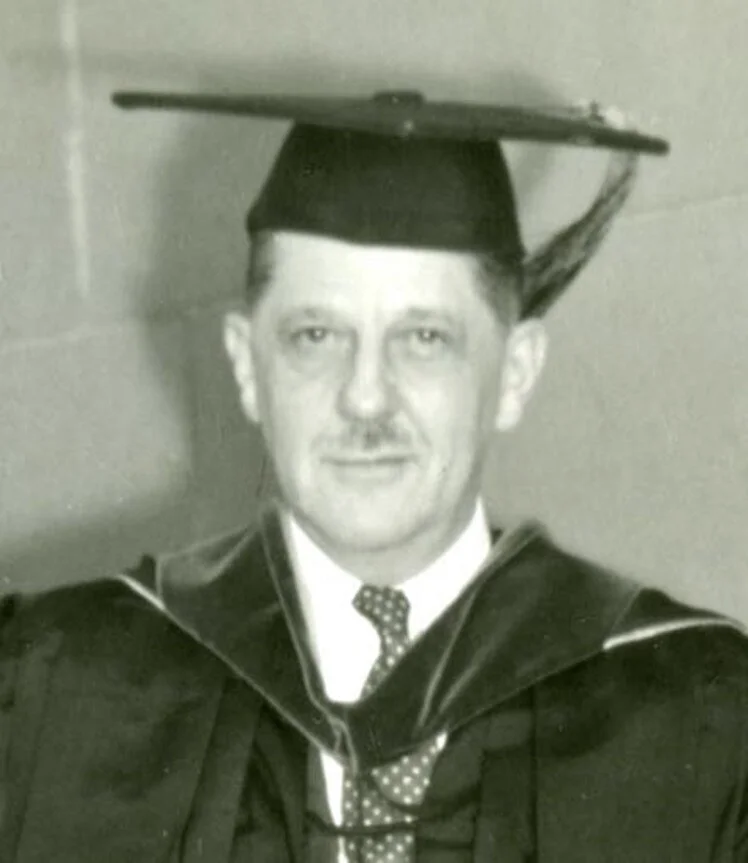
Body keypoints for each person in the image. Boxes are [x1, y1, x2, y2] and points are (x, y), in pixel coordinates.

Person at [1, 89, 746, 863]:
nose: (365, 395)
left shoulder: (701, 711)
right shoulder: (48, 689)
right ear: (246, 365)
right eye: (316, 335)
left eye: (423, 337)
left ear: (516, 372)